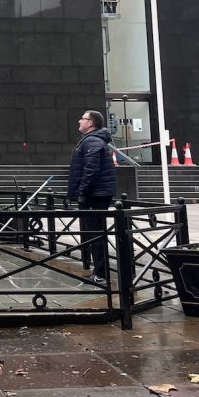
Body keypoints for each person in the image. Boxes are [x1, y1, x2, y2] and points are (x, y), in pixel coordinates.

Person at [67, 110, 116, 285]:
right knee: (95, 233)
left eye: (83, 118)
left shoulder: (92, 141)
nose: (79, 121)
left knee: (96, 234)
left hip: (95, 194)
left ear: (91, 123)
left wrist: (82, 192)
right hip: (97, 193)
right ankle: (99, 271)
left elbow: (91, 169)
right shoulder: (92, 140)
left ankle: (101, 274)